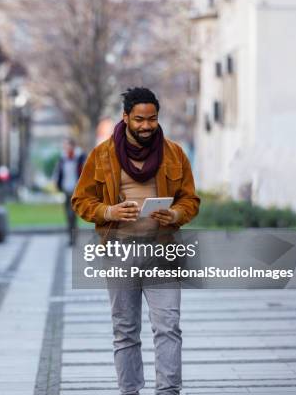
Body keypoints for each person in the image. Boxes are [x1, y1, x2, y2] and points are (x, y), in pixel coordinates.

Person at [71, 87, 200, 395]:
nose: (146, 126)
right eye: (139, 119)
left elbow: (190, 199)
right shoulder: (102, 155)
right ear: (125, 117)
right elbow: (80, 200)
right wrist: (108, 210)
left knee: (168, 327)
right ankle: (129, 391)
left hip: (162, 250)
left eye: (152, 119)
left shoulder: (174, 153)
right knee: (125, 330)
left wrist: (176, 215)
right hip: (118, 250)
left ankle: (168, 391)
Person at [54, 138, 85, 245]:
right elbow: (59, 172)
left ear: (73, 146)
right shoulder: (63, 158)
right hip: (65, 188)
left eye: (67, 145)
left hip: (76, 189)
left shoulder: (80, 157)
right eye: (65, 145)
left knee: (72, 213)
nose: (65, 147)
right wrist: (57, 184)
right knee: (68, 214)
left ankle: (73, 237)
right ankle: (72, 235)